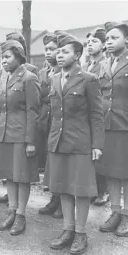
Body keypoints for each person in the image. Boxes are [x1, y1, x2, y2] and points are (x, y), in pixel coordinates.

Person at [46, 33, 104, 254]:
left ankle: (81, 234)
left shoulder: (89, 79)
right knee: (63, 189)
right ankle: (67, 230)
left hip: (80, 142)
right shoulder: (54, 79)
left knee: (80, 191)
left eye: (65, 52)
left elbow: (97, 115)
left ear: (77, 55)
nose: (59, 55)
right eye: (58, 52)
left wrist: (97, 145)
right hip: (58, 142)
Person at [0, 40, 40, 235]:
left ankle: (21, 215)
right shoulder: (4, 77)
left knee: (22, 177)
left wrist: (30, 141)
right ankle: (11, 211)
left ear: (18, 57)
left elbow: (33, 112)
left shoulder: (29, 78)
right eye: (2, 57)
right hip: (4, 133)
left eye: (7, 57)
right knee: (9, 175)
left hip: (21, 135)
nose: (3, 61)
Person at [97, 22, 128, 237]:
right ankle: (115, 211)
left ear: (126, 40)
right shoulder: (104, 64)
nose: (109, 42)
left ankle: (127, 216)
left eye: (114, 37)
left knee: (126, 174)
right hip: (106, 126)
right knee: (111, 172)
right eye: (107, 38)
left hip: (125, 125)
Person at [82, 27, 109, 207]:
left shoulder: (105, 65)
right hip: (87, 112)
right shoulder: (85, 66)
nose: (90, 45)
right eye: (88, 43)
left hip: (103, 112)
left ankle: (103, 190)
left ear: (104, 45)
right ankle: (93, 187)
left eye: (94, 42)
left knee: (101, 152)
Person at [37, 32, 63, 219]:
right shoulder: (42, 72)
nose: (48, 52)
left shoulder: (65, 72)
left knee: (61, 161)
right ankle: (55, 197)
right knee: (51, 160)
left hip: (62, 121)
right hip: (46, 120)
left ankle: (63, 202)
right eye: (46, 49)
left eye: (52, 49)